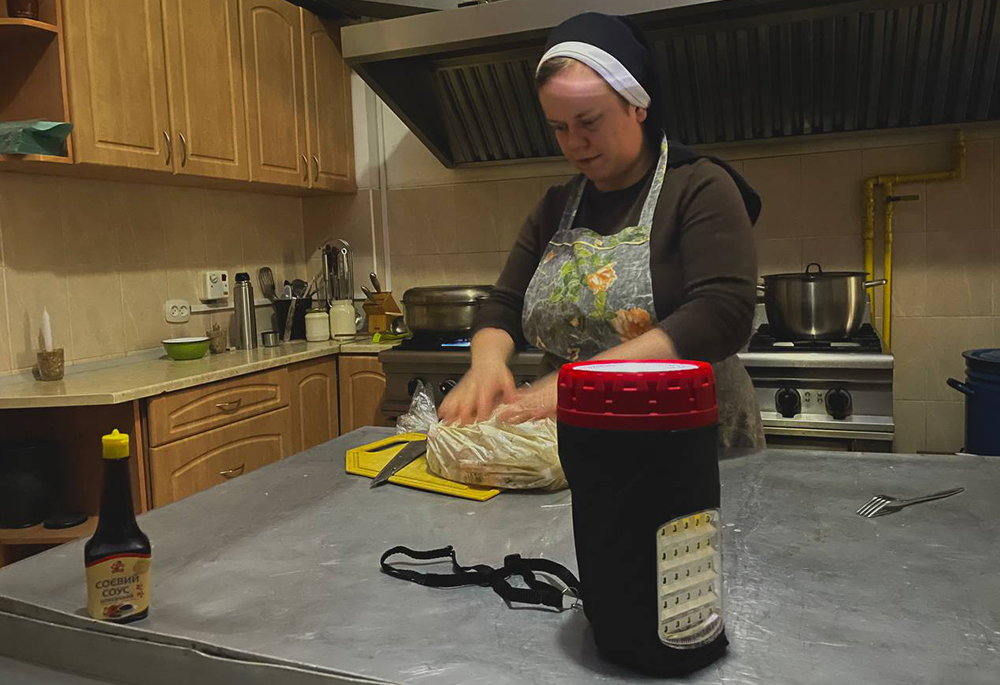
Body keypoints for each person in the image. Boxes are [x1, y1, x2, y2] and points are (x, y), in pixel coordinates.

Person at [437, 12, 765, 450]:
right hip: (577, 446)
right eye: (559, 127)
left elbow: (721, 313)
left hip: (692, 447)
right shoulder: (556, 207)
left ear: (637, 106)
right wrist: (485, 365)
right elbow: (505, 304)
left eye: (589, 122)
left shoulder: (699, 187)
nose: (574, 142)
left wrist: (582, 380)